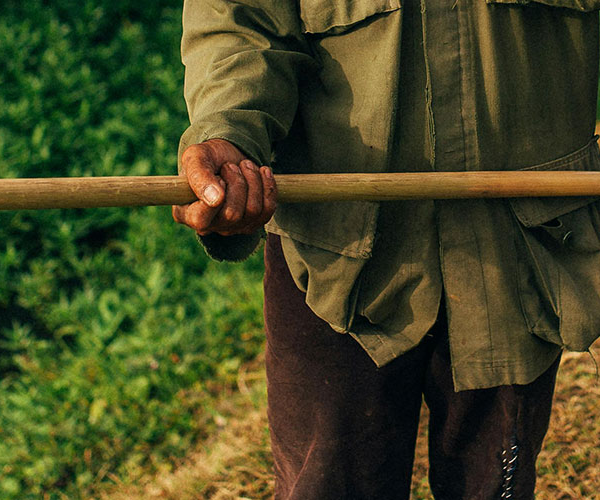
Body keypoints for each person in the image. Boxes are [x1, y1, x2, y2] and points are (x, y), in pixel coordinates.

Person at [173, 0, 600, 498]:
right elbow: (241, 23)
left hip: (521, 256)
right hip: (333, 259)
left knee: (495, 486)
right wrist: (230, 131)